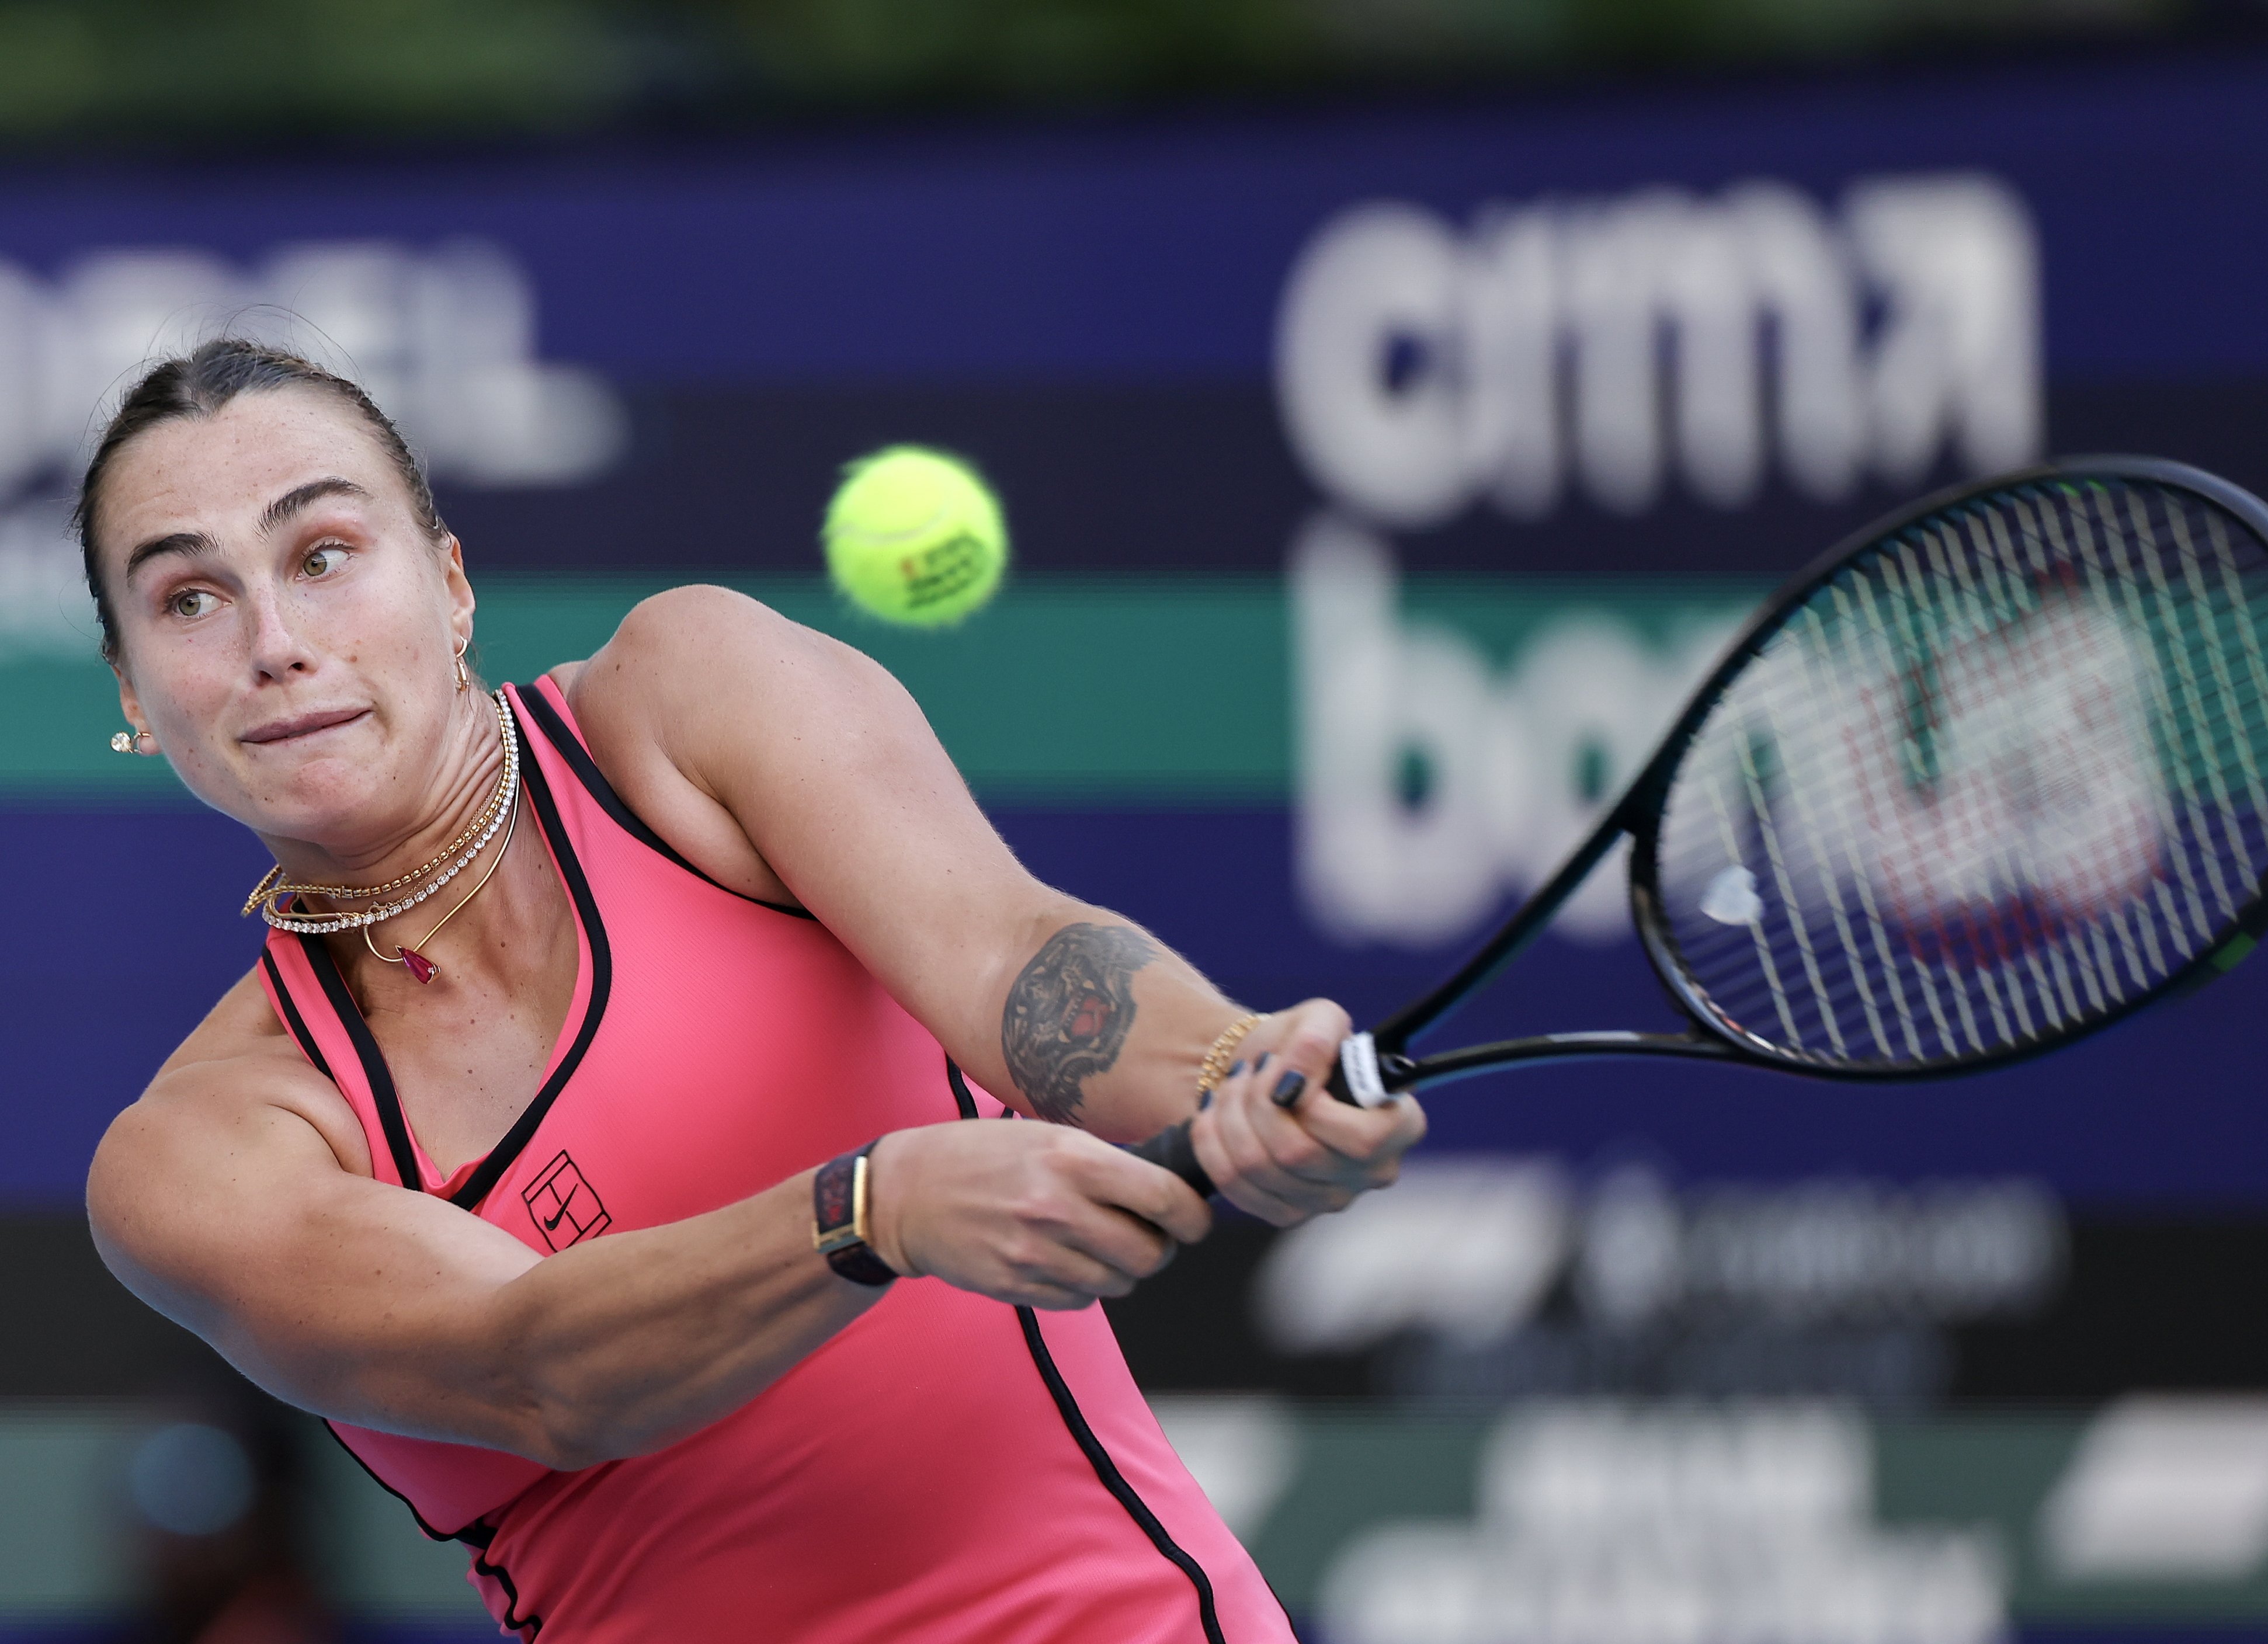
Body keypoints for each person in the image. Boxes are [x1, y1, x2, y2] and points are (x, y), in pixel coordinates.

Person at [82, 338, 1426, 1643]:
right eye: (188, 598)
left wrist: (1227, 1069)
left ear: (450, 586)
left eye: (324, 557)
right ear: (134, 693)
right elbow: (537, 1366)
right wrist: (868, 1209)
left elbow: (1007, 951)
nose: (275, 640)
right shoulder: (197, 1157)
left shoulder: (684, 701)